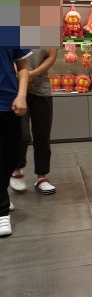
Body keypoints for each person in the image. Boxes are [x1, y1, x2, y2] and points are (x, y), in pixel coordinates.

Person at [10, 48, 57, 195]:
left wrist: (32, 74)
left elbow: (51, 57)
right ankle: (16, 168)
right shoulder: (12, 33)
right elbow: (8, 55)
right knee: (21, 134)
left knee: (42, 135)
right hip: (16, 89)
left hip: (42, 89)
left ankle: (42, 177)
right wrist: (22, 77)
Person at [0, 48, 31, 237]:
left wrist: (21, 95)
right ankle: (2, 210)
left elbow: (23, 67)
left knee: (11, 155)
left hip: (9, 102)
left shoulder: (10, 32)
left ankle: (2, 191)